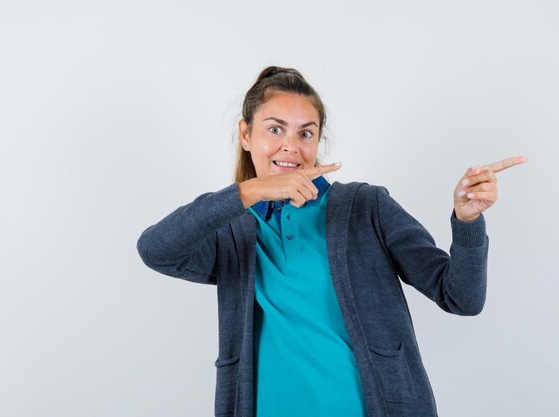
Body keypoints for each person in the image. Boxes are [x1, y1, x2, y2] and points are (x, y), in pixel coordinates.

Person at [137, 66, 527, 417]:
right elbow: (156, 250)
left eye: (305, 132)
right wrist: (248, 191)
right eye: (275, 129)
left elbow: (462, 297)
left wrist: (468, 219)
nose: (291, 146)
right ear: (245, 134)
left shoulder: (365, 206)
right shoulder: (230, 228)